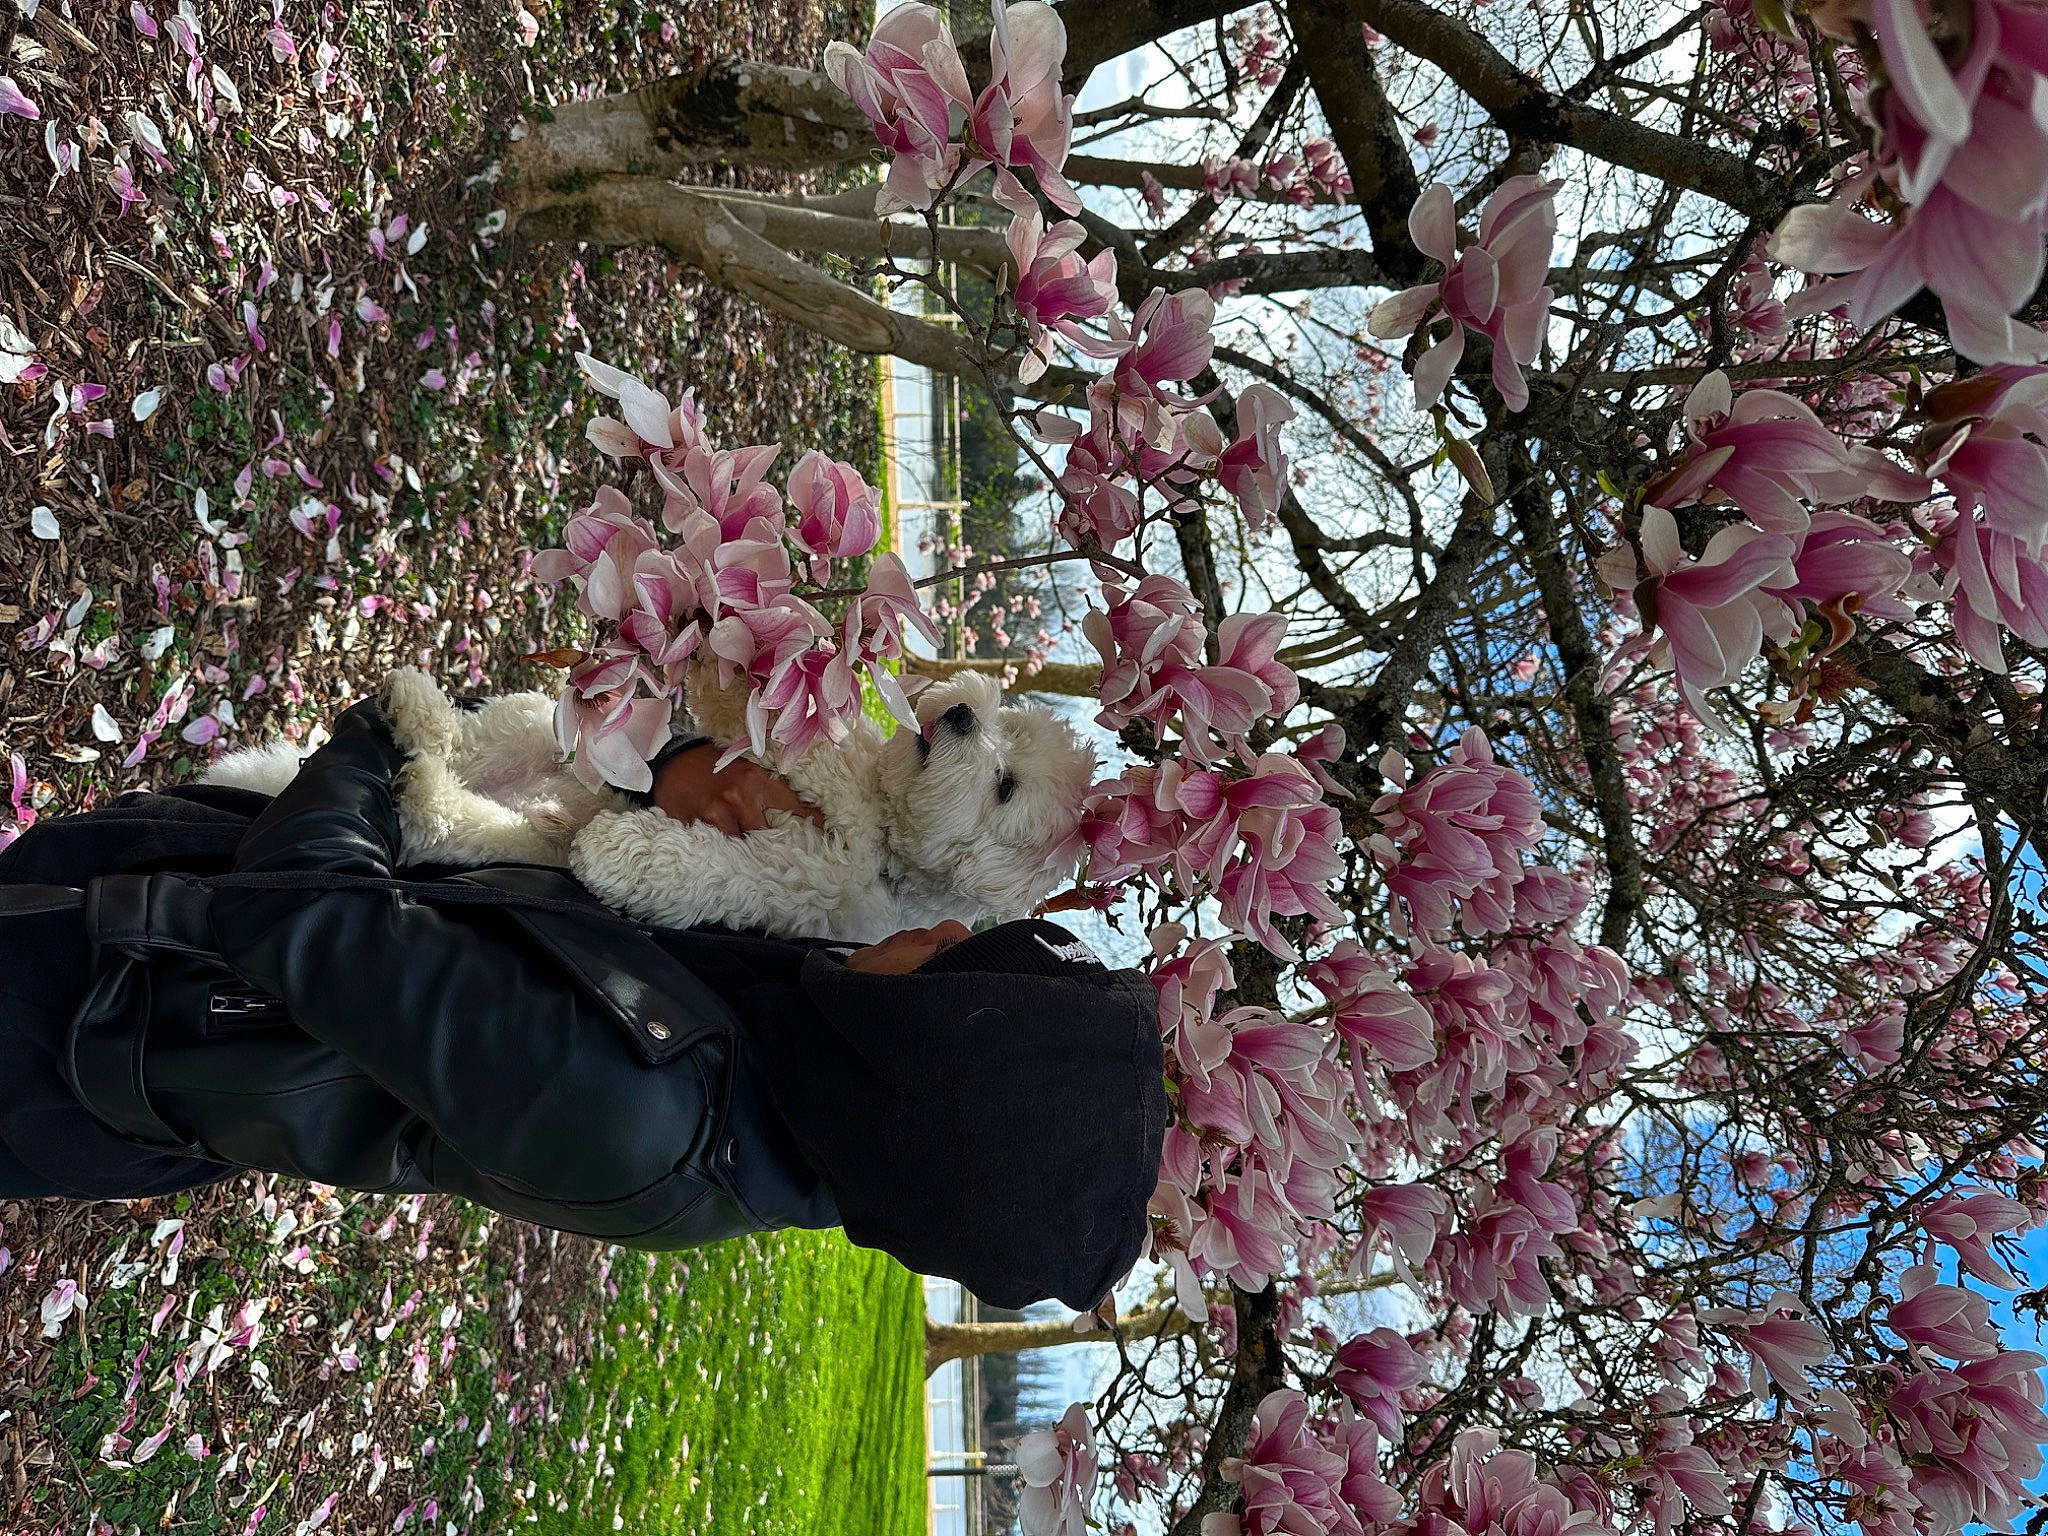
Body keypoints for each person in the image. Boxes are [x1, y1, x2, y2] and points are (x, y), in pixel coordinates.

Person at [0, 698, 1166, 1312]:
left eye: (962, 971)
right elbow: (572, 874)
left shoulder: (645, 1119)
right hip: (135, 935)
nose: (948, 932)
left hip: (82, 1013)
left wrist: (387, 735)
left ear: (923, 1065)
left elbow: (302, 923)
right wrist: (680, 763)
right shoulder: (778, 1035)